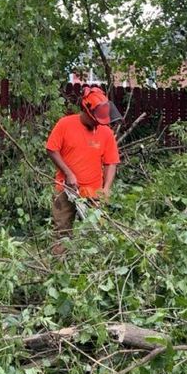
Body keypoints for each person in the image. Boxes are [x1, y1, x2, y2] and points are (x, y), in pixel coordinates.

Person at [46, 85, 121, 255]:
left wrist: (106, 189)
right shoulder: (65, 124)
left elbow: (111, 162)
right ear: (86, 110)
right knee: (61, 232)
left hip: (94, 192)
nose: (97, 123)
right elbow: (51, 149)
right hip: (65, 188)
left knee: (97, 233)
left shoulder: (106, 132)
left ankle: (94, 269)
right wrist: (68, 173)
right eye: (96, 118)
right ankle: (59, 270)